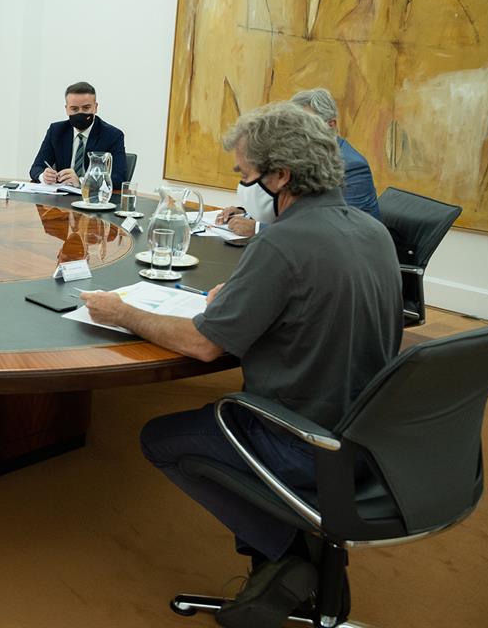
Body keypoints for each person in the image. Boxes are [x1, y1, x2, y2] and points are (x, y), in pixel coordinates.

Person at [81, 102, 402, 628]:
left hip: (302, 441)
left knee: (163, 439)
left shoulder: (281, 242)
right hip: (373, 435)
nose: (243, 187)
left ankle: (292, 558)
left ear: (280, 176)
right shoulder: (371, 232)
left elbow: (204, 346)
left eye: (245, 175)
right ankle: (298, 556)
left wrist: (123, 312)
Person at [217, 88, 380, 236]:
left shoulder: (352, 165)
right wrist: (248, 213)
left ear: (331, 125)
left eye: (308, 125)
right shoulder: (298, 160)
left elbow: (343, 229)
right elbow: (296, 209)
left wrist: (259, 228)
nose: (298, 134)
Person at [28, 81, 127, 190]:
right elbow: (36, 168)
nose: (80, 113)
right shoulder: (56, 131)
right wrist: (44, 176)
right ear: (66, 109)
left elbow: (119, 178)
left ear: (95, 107)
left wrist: (82, 181)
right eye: (74, 109)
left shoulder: (112, 135)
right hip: (61, 198)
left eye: (86, 108)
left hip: (95, 200)